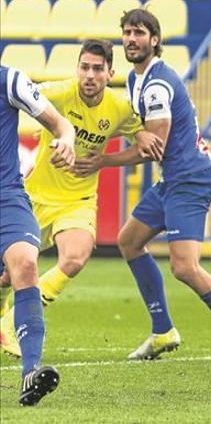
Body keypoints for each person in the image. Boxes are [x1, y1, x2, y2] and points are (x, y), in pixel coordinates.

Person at [75, 9, 211, 363]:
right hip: (174, 178)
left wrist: (102, 160)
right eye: (126, 32)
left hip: (191, 177)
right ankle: (162, 330)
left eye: (139, 32)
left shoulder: (155, 84)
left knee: (184, 266)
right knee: (129, 240)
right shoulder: (138, 80)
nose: (131, 39)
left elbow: (154, 146)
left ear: (155, 40)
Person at [0, 40, 164, 357]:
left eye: (97, 69)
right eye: (85, 67)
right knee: (9, 272)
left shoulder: (119, 108)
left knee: (75, 257)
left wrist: (117, 151)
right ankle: (5, 315)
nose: (90, 75)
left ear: (110, 73)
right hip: (34, 197)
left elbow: (147, 147)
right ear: (77, 70)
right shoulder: (59, 93)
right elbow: (22, 98)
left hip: (78, 201)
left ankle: (9, 324)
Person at [0, 64, 76, 405]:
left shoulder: (9, 80)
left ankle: (31, 373)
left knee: (25, 263)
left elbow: (60, 123)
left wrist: (67, 139)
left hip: (7, 197)